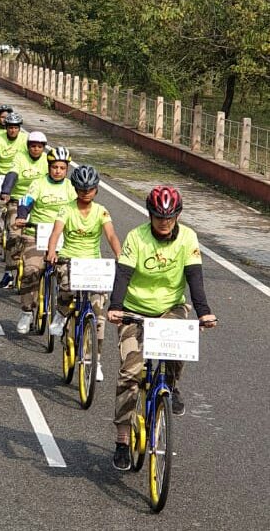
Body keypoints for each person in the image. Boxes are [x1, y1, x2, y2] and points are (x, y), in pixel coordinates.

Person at [107, 185, 217, 471]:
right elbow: (123, 274)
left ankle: (171, 384)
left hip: (170, 308)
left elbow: (194, 277)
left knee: (180, 343)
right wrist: (115, 306)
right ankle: (122, 440)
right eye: (159, 216)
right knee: (130, 373)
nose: (164, 222)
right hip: (133, 310)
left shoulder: (188, 237)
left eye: (169, 217)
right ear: (150, 214)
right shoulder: (136, 237)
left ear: (177, 215)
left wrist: (204, 313)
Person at [45, 165, 122, 382]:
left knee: (98, 316)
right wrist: (51, 252)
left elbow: (111, 235)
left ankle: (95, 361)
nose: (85, 193)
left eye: (89, 189)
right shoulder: (66, 209)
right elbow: (56, 233)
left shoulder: (101, 211)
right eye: (81, 189)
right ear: (75, 189)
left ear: (96, 189)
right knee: (67, 287)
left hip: (93, 264)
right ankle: (61, 315)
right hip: (69, 259)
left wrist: (120, 255)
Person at [14, 146, 76, 334]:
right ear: (49, 167)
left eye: (62, 168)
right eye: (55, 167)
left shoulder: (71, 187)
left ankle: (61, 314)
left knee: (71, 280)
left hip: (62, 237)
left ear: (67, 169)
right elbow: (26, 201)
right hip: (37, 234)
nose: (58, 171)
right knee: (31, 270)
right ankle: (26, 312)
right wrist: (21, 215)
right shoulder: (38, 184)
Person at [0, 131, 49, 288]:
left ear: (43, 148)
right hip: (17, 200)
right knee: (14, 233)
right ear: (28, 146)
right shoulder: (20, 157)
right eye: (33, 146)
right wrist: (6, 191)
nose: (36, 149)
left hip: (39, 203)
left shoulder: (48, 161)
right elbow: (12, 175)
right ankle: (9, 272)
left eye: (39, 146)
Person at [0, 111, 28, 255]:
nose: (13, 130)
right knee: (0, 207)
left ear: (19, 128)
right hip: (2, 176)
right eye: (10, 127)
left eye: (16, 127)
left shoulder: (25, 139)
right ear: (6, 127)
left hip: (20, 178)